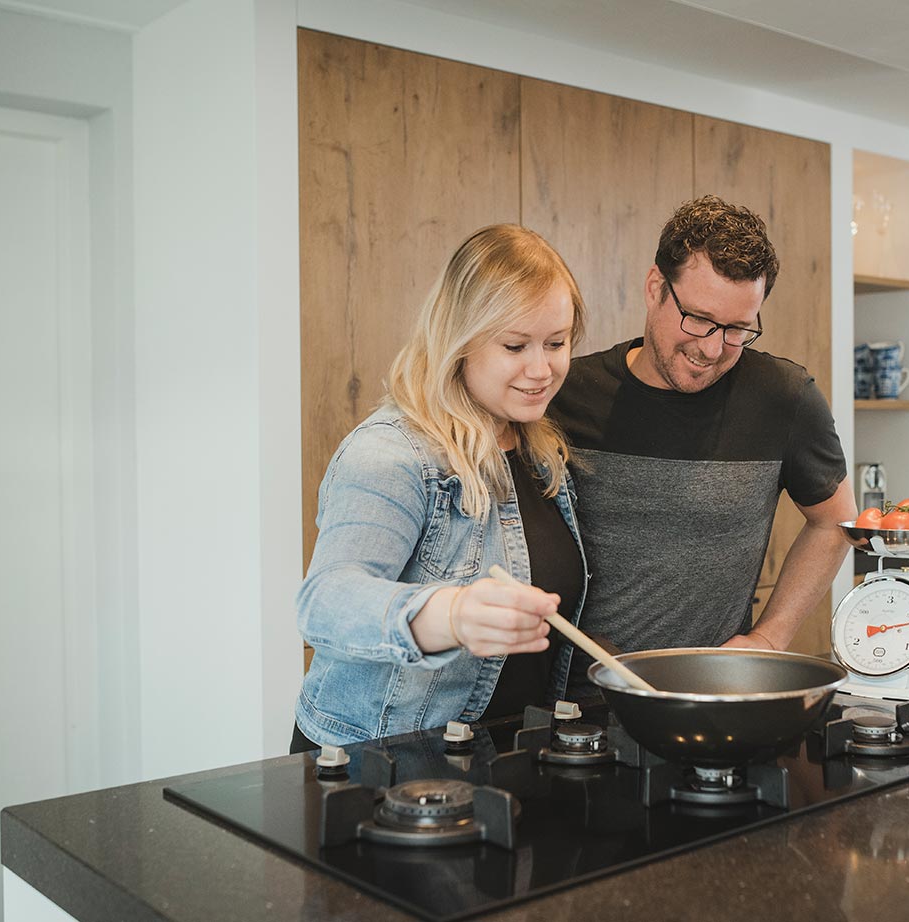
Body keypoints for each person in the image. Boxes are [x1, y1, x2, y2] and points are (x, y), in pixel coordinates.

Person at [291, 225, 589, 751]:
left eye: (557, 343)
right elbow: (324, 603)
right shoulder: (392, 453)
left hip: (494, 755)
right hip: (379, 758)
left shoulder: (538, 449)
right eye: (515, 345)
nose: (542, 369)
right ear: (460, 343)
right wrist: (449, 615)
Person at [549, 195, 854, 701]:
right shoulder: (568, 396)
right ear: (655, 289)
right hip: (580, 704)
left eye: (738, 329)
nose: (711, 349)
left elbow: (835, 521)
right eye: (698, 318)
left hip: (721, 699)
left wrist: (769, 637)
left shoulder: (784, 398)